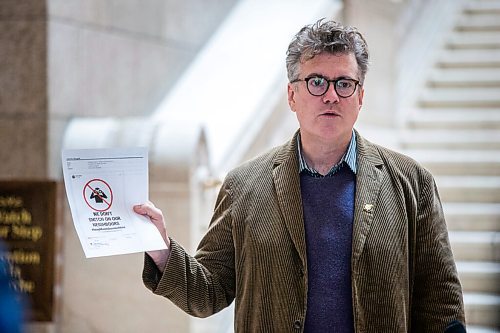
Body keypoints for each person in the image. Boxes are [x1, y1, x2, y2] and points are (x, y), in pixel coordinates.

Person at [134, 19, 465, 332]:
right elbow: (208, 292)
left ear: (360, 97)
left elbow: (441, 307)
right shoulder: (243, 188)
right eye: (316, 81)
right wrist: (161, 248)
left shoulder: (412, 184)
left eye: (345, 83)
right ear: (292, 95)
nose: (331, 95)